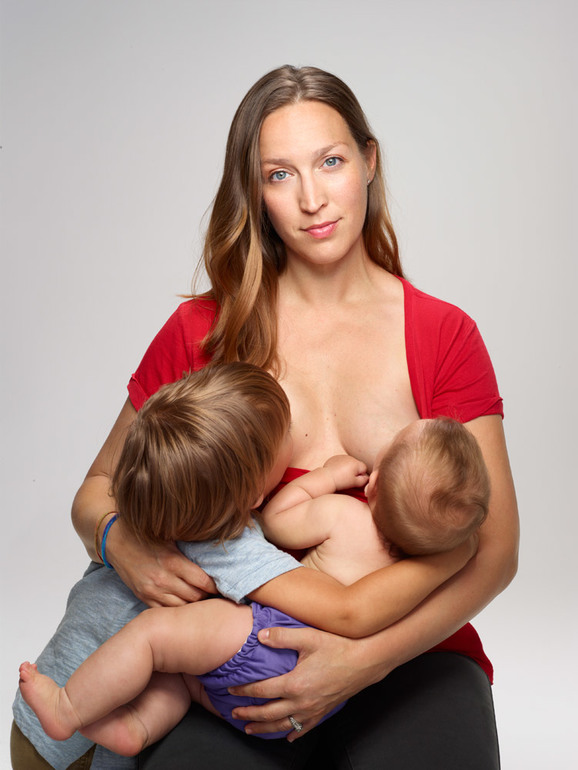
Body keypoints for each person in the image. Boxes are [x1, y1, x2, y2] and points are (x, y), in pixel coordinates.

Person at [12, 64, 518, 770]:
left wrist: (360, 662)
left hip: (412, 656)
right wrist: (121, 543)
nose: (312, 199)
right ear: (254, 192)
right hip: (234, 663)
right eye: (280, 175)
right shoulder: (201, 332)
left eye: (331, 162)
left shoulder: (443, 335)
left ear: (369, 162)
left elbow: (495, 553)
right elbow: (96, 491)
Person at [18, 363, 487, 755]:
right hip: (293, 681)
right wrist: (455, 552)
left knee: (168, 656)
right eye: (284, 434)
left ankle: (107, 719)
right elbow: (350, 609)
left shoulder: (173, 511)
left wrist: (323, 479)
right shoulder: (238, 548)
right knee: (169, 658)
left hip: (261, 657)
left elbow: (280, 524)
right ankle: (103, 719)